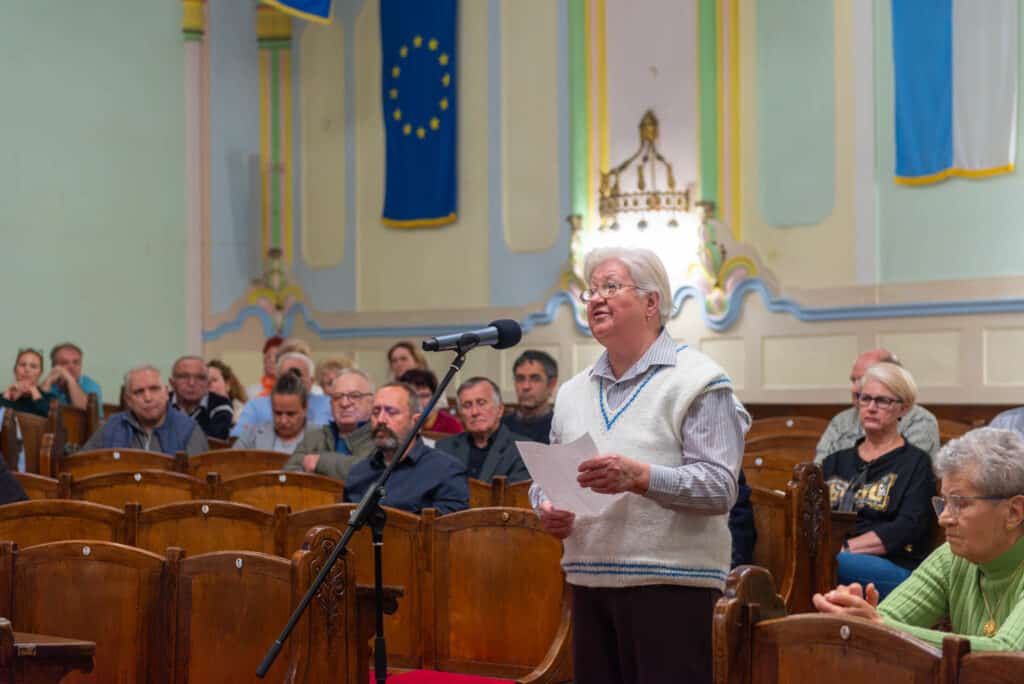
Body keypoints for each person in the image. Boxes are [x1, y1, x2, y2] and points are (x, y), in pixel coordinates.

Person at [532, 247, 747, 684]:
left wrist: (641, 477)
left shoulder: (698, 380)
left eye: (611, 287)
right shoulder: (572, 392)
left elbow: (720, 487)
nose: (596, 298)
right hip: (588, 583)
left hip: (673, 587)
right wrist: (546, 505)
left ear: (652, 302)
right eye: (591, 290)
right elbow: (548, 477)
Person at [814, 427, 1024, 651]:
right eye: (944, 502)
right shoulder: (950, 558)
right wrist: (853, 615)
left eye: (960, 504)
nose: (943, 519)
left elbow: (1009, 653)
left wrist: (877, 626)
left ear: (1014, 512)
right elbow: (886, 620)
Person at [822, 362, 936, 599]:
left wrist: (844, 549)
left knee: (831, 563)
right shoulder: (835, 461)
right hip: (833, 556)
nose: (871, 408)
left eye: (883, 401)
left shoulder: (916, 463)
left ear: (904, 408)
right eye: (866, 399)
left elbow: (908, 527)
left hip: (894, 564)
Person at [343, 383, 468, 515]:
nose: (380, 420)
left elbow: (449, 526)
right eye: (376, 412)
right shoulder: (358, 472)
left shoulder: (447, 471)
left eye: (391, 412)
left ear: (416, 421)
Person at [816, 349, 939, 462]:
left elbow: (904, 468)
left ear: (893, 380)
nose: (854, 389)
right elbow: (821, 466)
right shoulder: (841, 420)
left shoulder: (920, 421)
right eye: (853, 380)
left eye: (863, 380)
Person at [81, 365, 208, 455]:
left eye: (154, 389)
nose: (148, 398)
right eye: (139, 392)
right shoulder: (113, 425)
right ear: (128, 400)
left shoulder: (188, 429)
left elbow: (197, 480)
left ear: (166, 393)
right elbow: (82, 465)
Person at [286, 368, 376, 478]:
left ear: (372, 402)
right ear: (330, 404)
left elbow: (366, 472)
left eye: (354, 396)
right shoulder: (315, 437)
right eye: (337, 397)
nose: (344, 403)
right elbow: (289, 474)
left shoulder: (379, 438)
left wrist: (320, 462)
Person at [437, 377, 530, 483]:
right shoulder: (444, 447)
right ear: (460, 413)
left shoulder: (523, 451)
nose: (475, 412)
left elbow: (516, 492)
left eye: (481, 403)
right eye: (467, 405)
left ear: (500, 409)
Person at [231, 352, 331, 437]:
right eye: (286, 377)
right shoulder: (255, 407)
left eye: (297, 376)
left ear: (311, 381)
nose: (292, 382)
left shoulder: (328, 404)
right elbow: (237, 439)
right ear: (276, 380)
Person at [233, 372, 310, 453]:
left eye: (290, 414)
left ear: (305, 408)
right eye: (278, 413)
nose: (283, 421)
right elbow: (231, 460)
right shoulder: (252, 436)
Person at [168, 356, 233, 440]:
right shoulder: (162, 402)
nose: (191, 383)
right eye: (184, 376)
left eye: (199, 377)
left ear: (207, 383)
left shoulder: (221, 403)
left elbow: (215, 439)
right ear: (172, 383)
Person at [502, 350, 558, 444]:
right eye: (520, 379)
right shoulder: (501, 427)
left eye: (535, 379)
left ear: (551, 384)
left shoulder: (559, 427)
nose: (526, 386)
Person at [40, 342, 103, 412]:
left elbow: (86, 411)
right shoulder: (48, 384)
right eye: (64, 363)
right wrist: (48, 381)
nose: (71, 367)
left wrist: (69, 379)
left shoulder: (91, 385)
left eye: (76, 362)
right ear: (54, 366)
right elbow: (37, 410)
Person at [399, 368, 462, 435]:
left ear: (435, 397)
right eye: (413, 396)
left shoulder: (451, 425)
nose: (419, 402)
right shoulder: (396, 422)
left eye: (424, 396)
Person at [1, 349, 55, 417]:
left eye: (33, 366)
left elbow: (49, 417)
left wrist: (33, 390)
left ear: (40, 372)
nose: (27, 369)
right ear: (15, 370)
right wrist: (7, 393)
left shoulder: (50, 399)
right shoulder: (3, 396)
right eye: (23, 365)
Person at [207, 359, 247, 423]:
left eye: (214, 380)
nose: (209, 383)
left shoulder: (242, 415)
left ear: (227, 385)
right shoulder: (198, 413)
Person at [246, 336, 284, 400]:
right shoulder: (251, 392)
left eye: (277, 357)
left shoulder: (292, 393)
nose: (272, 360)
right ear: (264, 360)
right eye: (269, 356)